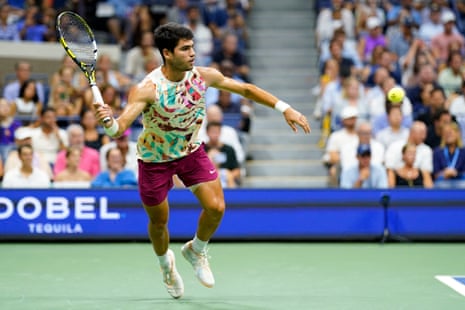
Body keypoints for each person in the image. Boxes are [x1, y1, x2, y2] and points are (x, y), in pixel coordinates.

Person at [93, 22, 310, 299]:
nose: (192, 53)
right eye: (185, 49)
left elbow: (245, 89)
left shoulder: (203, 76)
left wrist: (285, 108)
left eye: (192, 47)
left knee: (217, 207)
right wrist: (108, 122)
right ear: (167, 53)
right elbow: (119, 128)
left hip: (191, 151)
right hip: (154, 159)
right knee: (159, 222)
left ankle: (196, 250)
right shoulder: (147, 89)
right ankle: (166, 266)